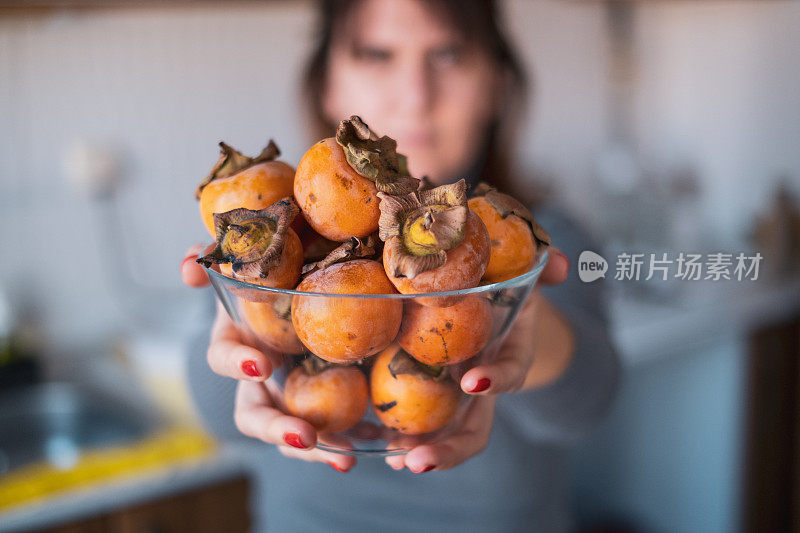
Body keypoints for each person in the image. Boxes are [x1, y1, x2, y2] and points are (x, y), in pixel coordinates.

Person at [180, 1, 620, 531]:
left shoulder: (538, 236)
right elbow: (215, 418)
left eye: (449, 54)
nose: (415, 95)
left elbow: (590, 403)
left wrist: (510, 306)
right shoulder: (268, 241)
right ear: (327, 85)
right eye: (376, 54)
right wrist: (245, 318)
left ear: (497, 84)